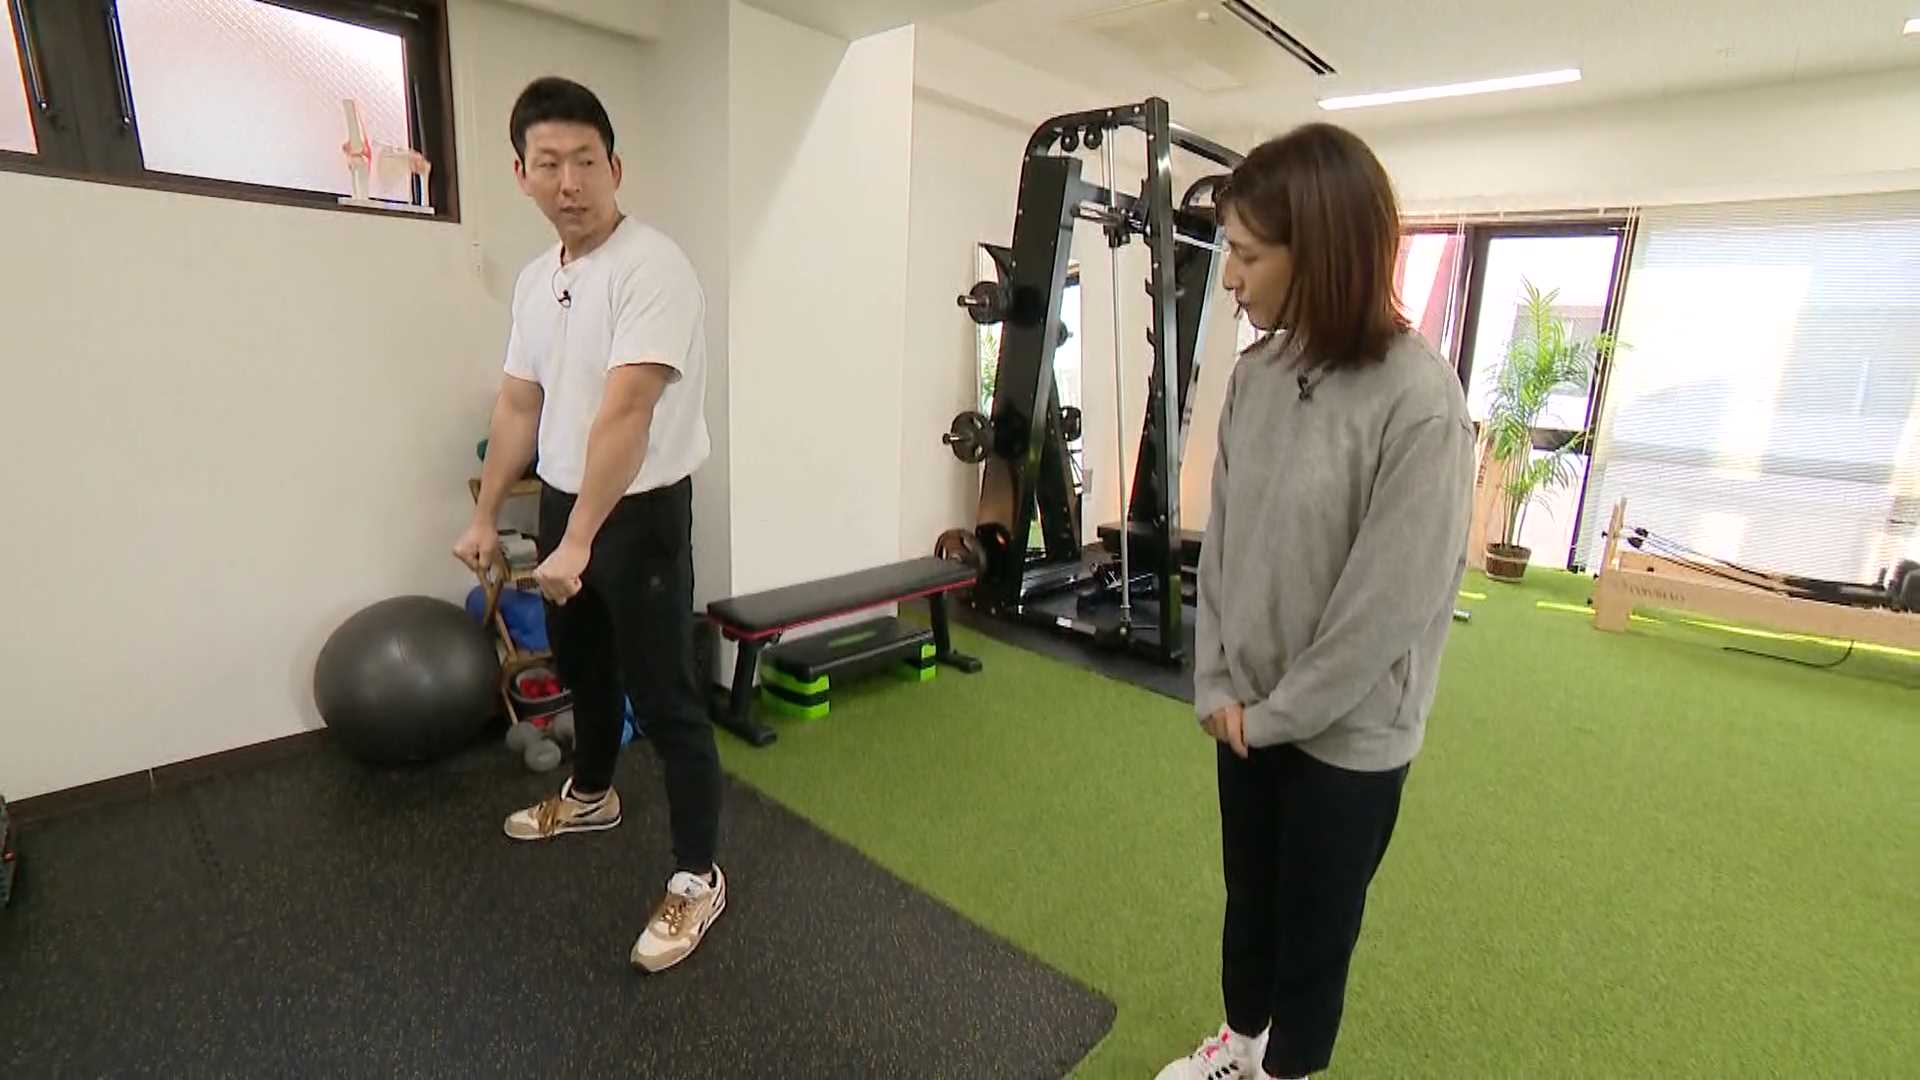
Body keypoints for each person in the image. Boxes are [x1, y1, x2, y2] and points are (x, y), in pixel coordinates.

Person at [1156, 124, 1475, 1079]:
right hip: (1246, 713)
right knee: (1248, 899)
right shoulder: (1256, 378)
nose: (1231, 278)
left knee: (1316, 928)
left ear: (1321, 252)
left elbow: (1386, 610)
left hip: (1348, 734)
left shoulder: (1421, 404)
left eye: (1249, 256)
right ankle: (1239, 1046)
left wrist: (1274, 716)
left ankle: (1285, 1071)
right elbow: (1225, 549)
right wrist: (1219, 682)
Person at [454, 77, 725, 974]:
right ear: (522, 175)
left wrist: (578, 543)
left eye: (583, 161)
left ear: (615, 166)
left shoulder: (654, 268)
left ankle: (697, 875)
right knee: (583, 668)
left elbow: (627, 413)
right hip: (567, 503)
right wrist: (489, 515)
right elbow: (518, 403)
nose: (568, 182)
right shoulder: (539, 281)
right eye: (548, 164)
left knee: (666, 695)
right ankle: (594, 793)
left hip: (641, 513)